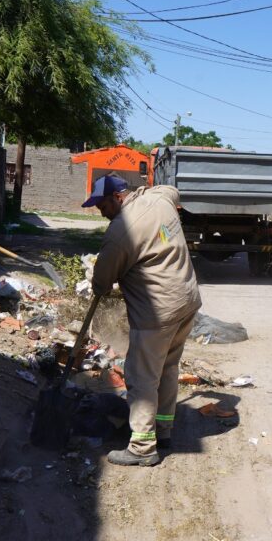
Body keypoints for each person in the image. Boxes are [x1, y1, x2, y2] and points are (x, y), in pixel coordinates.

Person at [86, 175, 202, 467]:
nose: (101, 212)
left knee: (141, 377)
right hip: (187, 302)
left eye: (102, 205)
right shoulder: (160, 199)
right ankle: (162, 430)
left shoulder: (121, 231)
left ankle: (141, 447)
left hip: (157, 312)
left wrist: (96, 279)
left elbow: (102, 282)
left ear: (117, 198)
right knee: (167, 369)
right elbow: (172, 191)